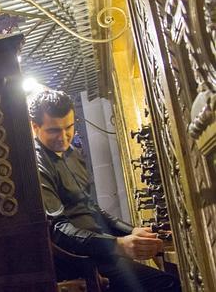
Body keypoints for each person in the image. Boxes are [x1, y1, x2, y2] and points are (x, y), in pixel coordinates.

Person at [28, 90, 180, 292]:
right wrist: (118, 245)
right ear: (35, 126)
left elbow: (91, 209)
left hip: (100, 251)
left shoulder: (73, 153)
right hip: (79, 260)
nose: (63, 137)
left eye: (69, 127)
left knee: (173, 273)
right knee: (167, 283)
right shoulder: (36, 165)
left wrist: (131, 231)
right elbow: (59, 231)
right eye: (54, 130)